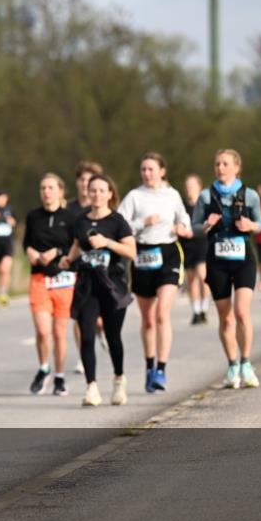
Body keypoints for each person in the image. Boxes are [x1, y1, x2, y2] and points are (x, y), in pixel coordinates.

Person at [118, 153, 193, 394]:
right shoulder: (134, 196)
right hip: (142, 255)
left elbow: (185, 220)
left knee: (162, 313)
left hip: (168, 253)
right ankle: (149, 367)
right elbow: (118, 224)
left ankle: (161, 368)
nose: (146, 173)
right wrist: (142, 224)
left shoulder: (172, 195)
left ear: (162, 171)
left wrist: (183, 227)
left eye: (151, 169)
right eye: (143, 169)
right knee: (148, 319)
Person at [60, 174, 136, 407]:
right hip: (87, 285)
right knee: (87, 335)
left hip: (112, 285)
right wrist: (68, 259)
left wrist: (107, 243)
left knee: (113, 337)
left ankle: (118, 380)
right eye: (93, 190)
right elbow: (76, 245)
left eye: (102, 190)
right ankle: (91, 387)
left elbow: (131, 252)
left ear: (110, 194)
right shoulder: (80, 220)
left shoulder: (117, 221)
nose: (97, 194)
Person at [192, 149, 261, 390]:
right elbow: (193, 229)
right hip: (217, 259)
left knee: (242, 312)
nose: (220, 168)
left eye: (225, 164)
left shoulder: (250, 195)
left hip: (243, 257)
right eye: (217, 164)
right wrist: (206, 225)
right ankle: (232, 365)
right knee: (225, 318)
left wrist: (250, 224)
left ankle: (246, 362)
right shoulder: (205, 196)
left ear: (236, 168)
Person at [23, 173, 76, 397]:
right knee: (43, 331)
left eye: (51, 188)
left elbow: (76, 245)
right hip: (39, 278)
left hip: (63, 279)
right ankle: (44, 368)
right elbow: (26, 243)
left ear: (60, 192)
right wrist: (32, 253)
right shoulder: (33, 216)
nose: (46, 191)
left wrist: (57, 252)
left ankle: (60, 376)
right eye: (43, 188)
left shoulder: (70, 217)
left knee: (59, 332)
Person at [66, 160, 107, 374]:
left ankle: (100, 330)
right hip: (77, 268)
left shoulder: (103, 209)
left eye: (89, 180)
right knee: (79, 313)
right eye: (81, 180)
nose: (84, 184)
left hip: (101, 268)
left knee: (99, 318)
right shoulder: (69, 208)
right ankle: (83, 356)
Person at [180, 174, 211, 325]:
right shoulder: (182, 207)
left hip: (202, 244)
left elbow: (210, 225)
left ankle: (204, 309)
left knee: (203, 276)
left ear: (199, 187)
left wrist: (198, 230)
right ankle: (196, 311)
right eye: (187, 187)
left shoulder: (205, 205)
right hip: (187, 246)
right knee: (191, 280)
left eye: (191, 186)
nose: (189, 189)